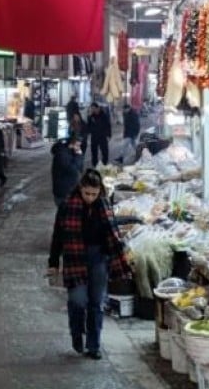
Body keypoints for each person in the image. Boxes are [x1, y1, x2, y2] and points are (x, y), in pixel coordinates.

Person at [47, 169, 133, 360]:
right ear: (80, 188)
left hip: (99, 258)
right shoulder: (67, 206)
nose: (90, 198)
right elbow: (57, 237)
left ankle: (93, 345)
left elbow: (113, 231)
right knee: (77, 301)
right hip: (74, 258)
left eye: (94, 194)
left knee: (97, 302)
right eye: (87, 193)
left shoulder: (104, 204)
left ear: (99, 191)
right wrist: (53, 262)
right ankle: (77, 333)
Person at [50, 135, 83, 207]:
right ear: (72, 144)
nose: (79, 147)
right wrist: (79, 156)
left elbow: (80, 168)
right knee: (64, 215)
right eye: (78, 145)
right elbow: (73, 170)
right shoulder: (62, 154)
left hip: (68, 189)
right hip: (63, 192)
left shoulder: (69, 151)